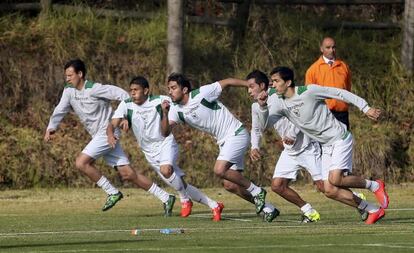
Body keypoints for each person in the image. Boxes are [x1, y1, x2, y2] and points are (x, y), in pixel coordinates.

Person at [256, 66, 389, 225]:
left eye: (276, 81)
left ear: (288, 82)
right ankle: (373, 210)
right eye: (272, 82)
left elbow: (339, 93)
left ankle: (375, 185)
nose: (273, 85)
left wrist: (365, 107)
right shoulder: (280, 104)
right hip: (326, 146)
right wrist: (263, 107)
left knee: (335, 179)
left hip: (340, 138)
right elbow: (264, 125)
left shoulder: (309, 91)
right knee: (329, 190)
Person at [44, 59, 175, 216]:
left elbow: (121, 94)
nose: (67, 78)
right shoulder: (68, 91)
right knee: (128, 174)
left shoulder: (95, 89)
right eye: (66, 76)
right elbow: (60, 109)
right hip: (98, 136)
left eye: (70, 75)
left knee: (81, 162)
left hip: (108, 132)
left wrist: (125, 114)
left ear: (80, 74)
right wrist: (51, 127)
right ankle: (166, 197)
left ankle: (112, 192)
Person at [162, 73, 279, 222]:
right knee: (230, 185)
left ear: (184, 90)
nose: (170, 91)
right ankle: (269, 208)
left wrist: (249, 86)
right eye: (169, 88)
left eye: (173, 88)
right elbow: (165, 132)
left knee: (219, 170)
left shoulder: (202, 93)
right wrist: (164, 114)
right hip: (224, 142)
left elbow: (228, 81)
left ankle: (257, 191)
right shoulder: (174, 109)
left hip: (237, 134)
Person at [107, 76, 224, 221]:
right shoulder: (126, 105)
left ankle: (184, 200)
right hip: (148, 151)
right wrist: (111, 134)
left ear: (146, 90)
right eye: (131, 90)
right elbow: (112, 124)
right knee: (181, 184)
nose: (132, 93)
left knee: (166, 171)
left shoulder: (160, 101)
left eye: (136, 90)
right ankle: (214, 205)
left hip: (165, 143)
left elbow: (182, 106)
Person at [248, 70, 323, 223]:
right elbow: (256, 129)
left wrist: (293, 133)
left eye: (251, 87)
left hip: (308, 147)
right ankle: (309, 211)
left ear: (262, 85)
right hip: (290, 151)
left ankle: (362, 202)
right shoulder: (256, 106)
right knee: (277, 185)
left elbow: (300, 113)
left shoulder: (279, 96)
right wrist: (254, 146)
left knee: (326, 187)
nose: (249, 91)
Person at [305, 37, 352, 129]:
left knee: (343, 142)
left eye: (333, 47)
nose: (331, 50)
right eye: (328, 47)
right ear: (321, 49)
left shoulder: (343, 66)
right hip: (323, 114)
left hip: (342, 113)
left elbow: (348, 88)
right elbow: (309, 95)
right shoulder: (313, 70)